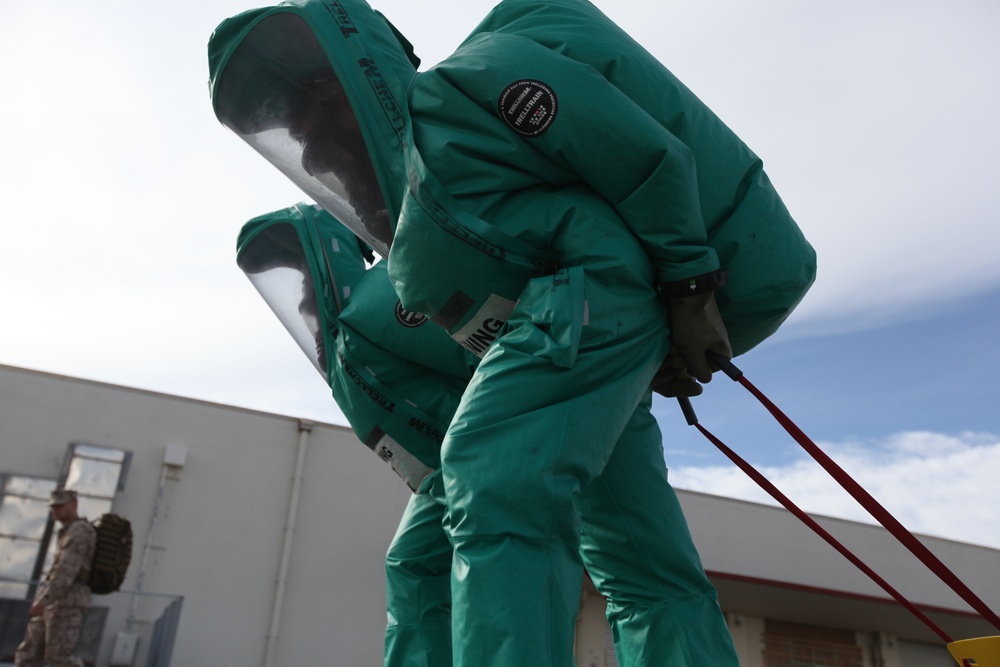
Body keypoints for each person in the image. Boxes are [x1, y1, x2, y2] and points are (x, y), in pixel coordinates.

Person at [209, 2, 817, 665]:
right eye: (300, 132)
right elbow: (490, 340)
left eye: (320, 107)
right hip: (590, 317)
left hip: (593, 288)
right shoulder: (412, 256)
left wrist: (689, 287)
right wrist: (644, 349)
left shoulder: (466, 84)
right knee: (637, 556)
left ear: (360, 72)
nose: (316, 146)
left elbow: (646, 154)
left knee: (492, 477)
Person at [15, 489, 96, 667]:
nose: (55, 510)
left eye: (60, 506)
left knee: (59, 657)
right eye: (53, 507)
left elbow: (66, 572)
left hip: (67, 602)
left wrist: (44, 600)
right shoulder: (68, 531)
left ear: (74, 504)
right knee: (29, 654)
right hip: (53, 601)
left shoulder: (80, 531)